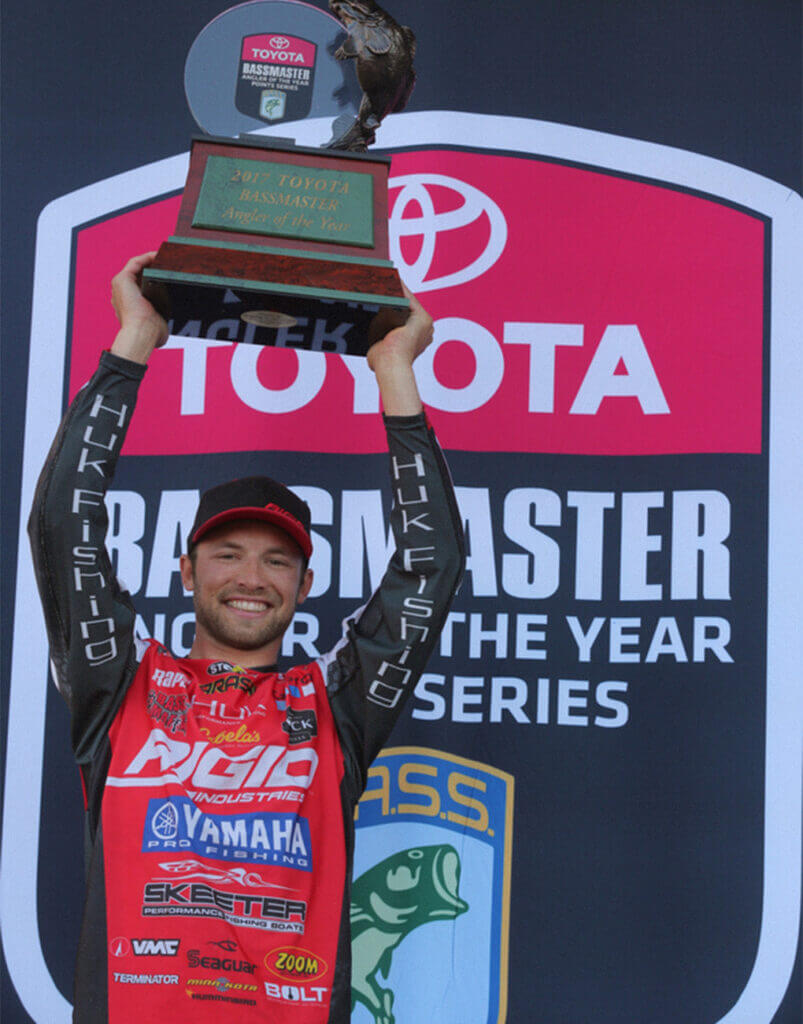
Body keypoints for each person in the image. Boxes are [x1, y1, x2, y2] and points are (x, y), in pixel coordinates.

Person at [29, 252, 464, 1023]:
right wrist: (135, 342)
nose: (251, 576)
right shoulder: (118, 690)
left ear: (304, 586)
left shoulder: (337, 708)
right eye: (226, 554)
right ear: (188, 573)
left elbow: (431, 567)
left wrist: (393, 370)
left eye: (277, 559)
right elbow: (61, 525)